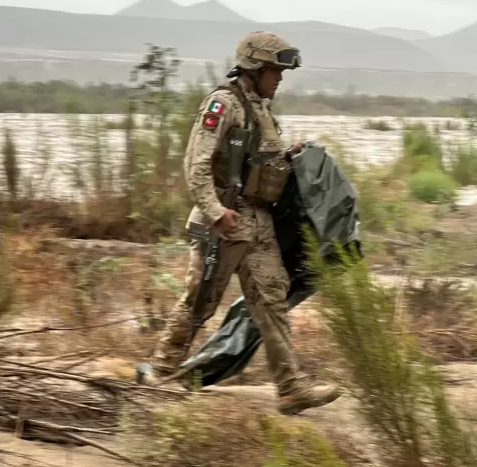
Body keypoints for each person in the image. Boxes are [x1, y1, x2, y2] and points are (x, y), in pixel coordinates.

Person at [142, 30, 342, 415]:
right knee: (201, 301)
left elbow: (256, 161)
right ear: (254, 68)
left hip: (257, 222)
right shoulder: (223, 104)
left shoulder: (260, 108)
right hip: (224, 222)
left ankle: (290, 387)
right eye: (274, 71)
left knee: (272, 299)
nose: (279, 79)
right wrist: (215, 211)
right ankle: (162, 373)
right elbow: (195, 164)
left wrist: (289, 156)